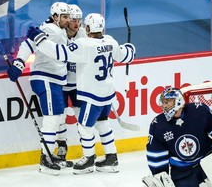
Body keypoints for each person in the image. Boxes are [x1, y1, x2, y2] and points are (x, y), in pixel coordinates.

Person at [26, 13, 136, 174]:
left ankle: (89, 159)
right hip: (108, 95)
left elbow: (59, 52)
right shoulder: (111, 41)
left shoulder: (84, 45)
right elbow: (126, 55)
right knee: (102, 123)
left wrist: (40, 39)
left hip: (92, 96)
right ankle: (111, 157)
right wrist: (130, 48)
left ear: (89, 28)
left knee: (84, 127)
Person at [7, 2, 71, 175]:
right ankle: (45, 160)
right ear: (56, 16)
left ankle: (50, 155)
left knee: (57, 117)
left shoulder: (57, 30)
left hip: (54, 80)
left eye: (68, 17)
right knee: (52, 119)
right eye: (64, 17)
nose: (67, 20)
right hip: (46, 78)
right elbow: (28, 44)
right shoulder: (51, 29)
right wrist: (19, 64)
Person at [143, 87, 212, 187]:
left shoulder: (198, 110)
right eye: (163, 102)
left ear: (178, 101)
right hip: (182, 173)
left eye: (168, 102)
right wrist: (160, 175)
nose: (164, 105)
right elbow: (156, 153)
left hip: (209, 162)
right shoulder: (158, 124)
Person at [56, 4, 87, 162]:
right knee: (60, 117)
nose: (76, 23)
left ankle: (87, 151)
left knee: (81, 118)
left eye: (79, 20)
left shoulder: (83, 35)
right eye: (73, 20)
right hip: (61, 84)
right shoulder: (59, 34)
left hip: (78, 85)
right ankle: (62, 148)